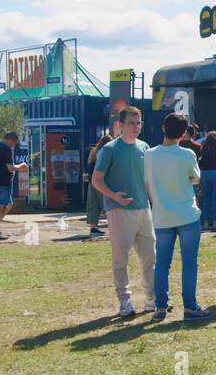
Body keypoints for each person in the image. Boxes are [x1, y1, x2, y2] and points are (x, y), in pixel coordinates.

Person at [91, 106, 157, 319]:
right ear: (121, 125)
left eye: (139, 123)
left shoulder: (145, 147)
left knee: (150, 257)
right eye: (131, 123)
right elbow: (96, 179)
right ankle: (125, 301)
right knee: (121, 259)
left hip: (144, 209)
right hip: (119, 211)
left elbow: (148, 180)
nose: (136, 127)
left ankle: (152, 299)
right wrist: (114, 196)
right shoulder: (110, 149)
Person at [145, 112, 209, 322]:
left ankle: (160, 307)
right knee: (189, 263)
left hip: (162, 215)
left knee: (162, 264)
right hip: (187, 214)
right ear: (183, 134)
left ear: (163, 128)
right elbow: (195, 178)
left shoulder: (149, 155)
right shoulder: (187, 155)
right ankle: (190, 307)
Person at [0, 131, 30, 241]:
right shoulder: (6, 149)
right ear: (12, 140)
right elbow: (10, 168)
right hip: (3, 182)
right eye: (14, 143)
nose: (14, 145)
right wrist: (22, 165)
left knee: (8, 204)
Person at [84, 131, 112, 237]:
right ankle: (113, 225)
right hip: (101, 181)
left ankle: (93, 228)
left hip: (92, 182)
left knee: (93, 205)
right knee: (107, 203)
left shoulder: (94, 152)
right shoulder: (105, 151)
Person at [199, 131, 216, 231]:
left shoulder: (203, 147)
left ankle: (205, 222)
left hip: (204, 174)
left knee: (206, 199)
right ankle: (214, 222)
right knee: (215, 198)